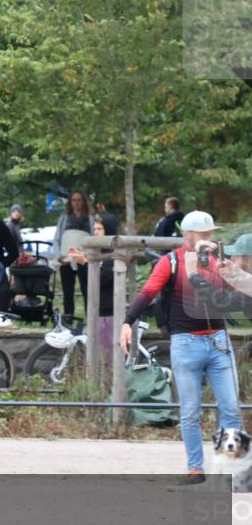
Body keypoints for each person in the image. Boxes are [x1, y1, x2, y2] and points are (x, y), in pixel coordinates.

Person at [120, 211, 252, 485]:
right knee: (190, 411)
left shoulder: (217, 261)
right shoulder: (171, 262)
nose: (208, 238)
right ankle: (195, 468)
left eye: (211, 234)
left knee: (230, 408)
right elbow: (148, 292)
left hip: (218, 341)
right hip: (185, 343)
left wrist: (228, 266)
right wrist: (127, 322)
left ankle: (231, 468)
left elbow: (238, 289)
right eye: (203, 234)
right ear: (187, 235)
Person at [67, 213, 119, 368]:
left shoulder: (114, 252)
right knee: (99, 356)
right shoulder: (98, 251)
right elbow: (88, 281)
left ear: (108, 230)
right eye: (95, 228)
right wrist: (82, 261)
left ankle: (109, 389)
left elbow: (106, 279)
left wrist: (86, 263)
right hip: (96, 308)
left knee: (107, 358)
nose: (95, 232)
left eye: (99, 229)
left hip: (109, 311)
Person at [52, 191, 93, 318]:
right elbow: (57, 239)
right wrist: (59, 257)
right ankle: (68, 317)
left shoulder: (90, 219)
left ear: (83, 201)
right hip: (66, 260)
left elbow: (94, 238)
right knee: (67, 291)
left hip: (83, 259)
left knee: (87, 290)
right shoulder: (64, 218)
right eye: (74, 200)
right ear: (70, 202)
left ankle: (90, 317)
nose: (76, 203)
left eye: (79, 200)